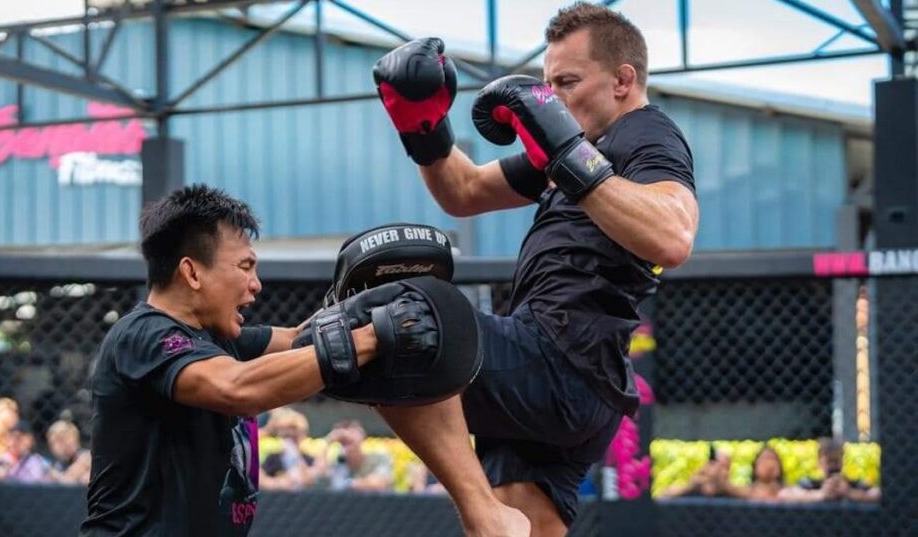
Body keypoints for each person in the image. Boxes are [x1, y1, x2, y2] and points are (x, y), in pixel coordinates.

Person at [372, 2, 698, 534]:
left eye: (566, 82)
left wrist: (571, 156)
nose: (553, 100)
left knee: (401, 324)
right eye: (547, 85)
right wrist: (422, 125)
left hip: (560, 360)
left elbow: (673, 235)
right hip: (568, 379)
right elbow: (464, 190)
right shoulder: (572, 148)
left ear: (623, 80)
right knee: (526, 514)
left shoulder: (644, 133)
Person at [82, 185, 528, 537]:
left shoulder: (222, 340)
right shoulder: (141, 336)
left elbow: (301, 341)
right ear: (192, 272)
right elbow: (237, 389)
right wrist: (377, 335)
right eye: (245, 267)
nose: (256, 285)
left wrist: (360, 305)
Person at [779, 437, 880, 503]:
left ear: (842, 461)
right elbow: (784, 494)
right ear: (819, 462)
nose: (833, 467)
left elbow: (877, 493)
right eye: (829, 462)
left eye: (836, 461)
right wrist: (820, 495)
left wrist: (849, 493)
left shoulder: (852, 484)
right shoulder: (811, 484)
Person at [45, 420, 92, 485]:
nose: (62, 445)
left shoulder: (86, 457)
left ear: (75, 438)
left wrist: (55, 475)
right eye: (54, 442)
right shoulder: (57, 464)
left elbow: (67, 481)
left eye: (64, 439)